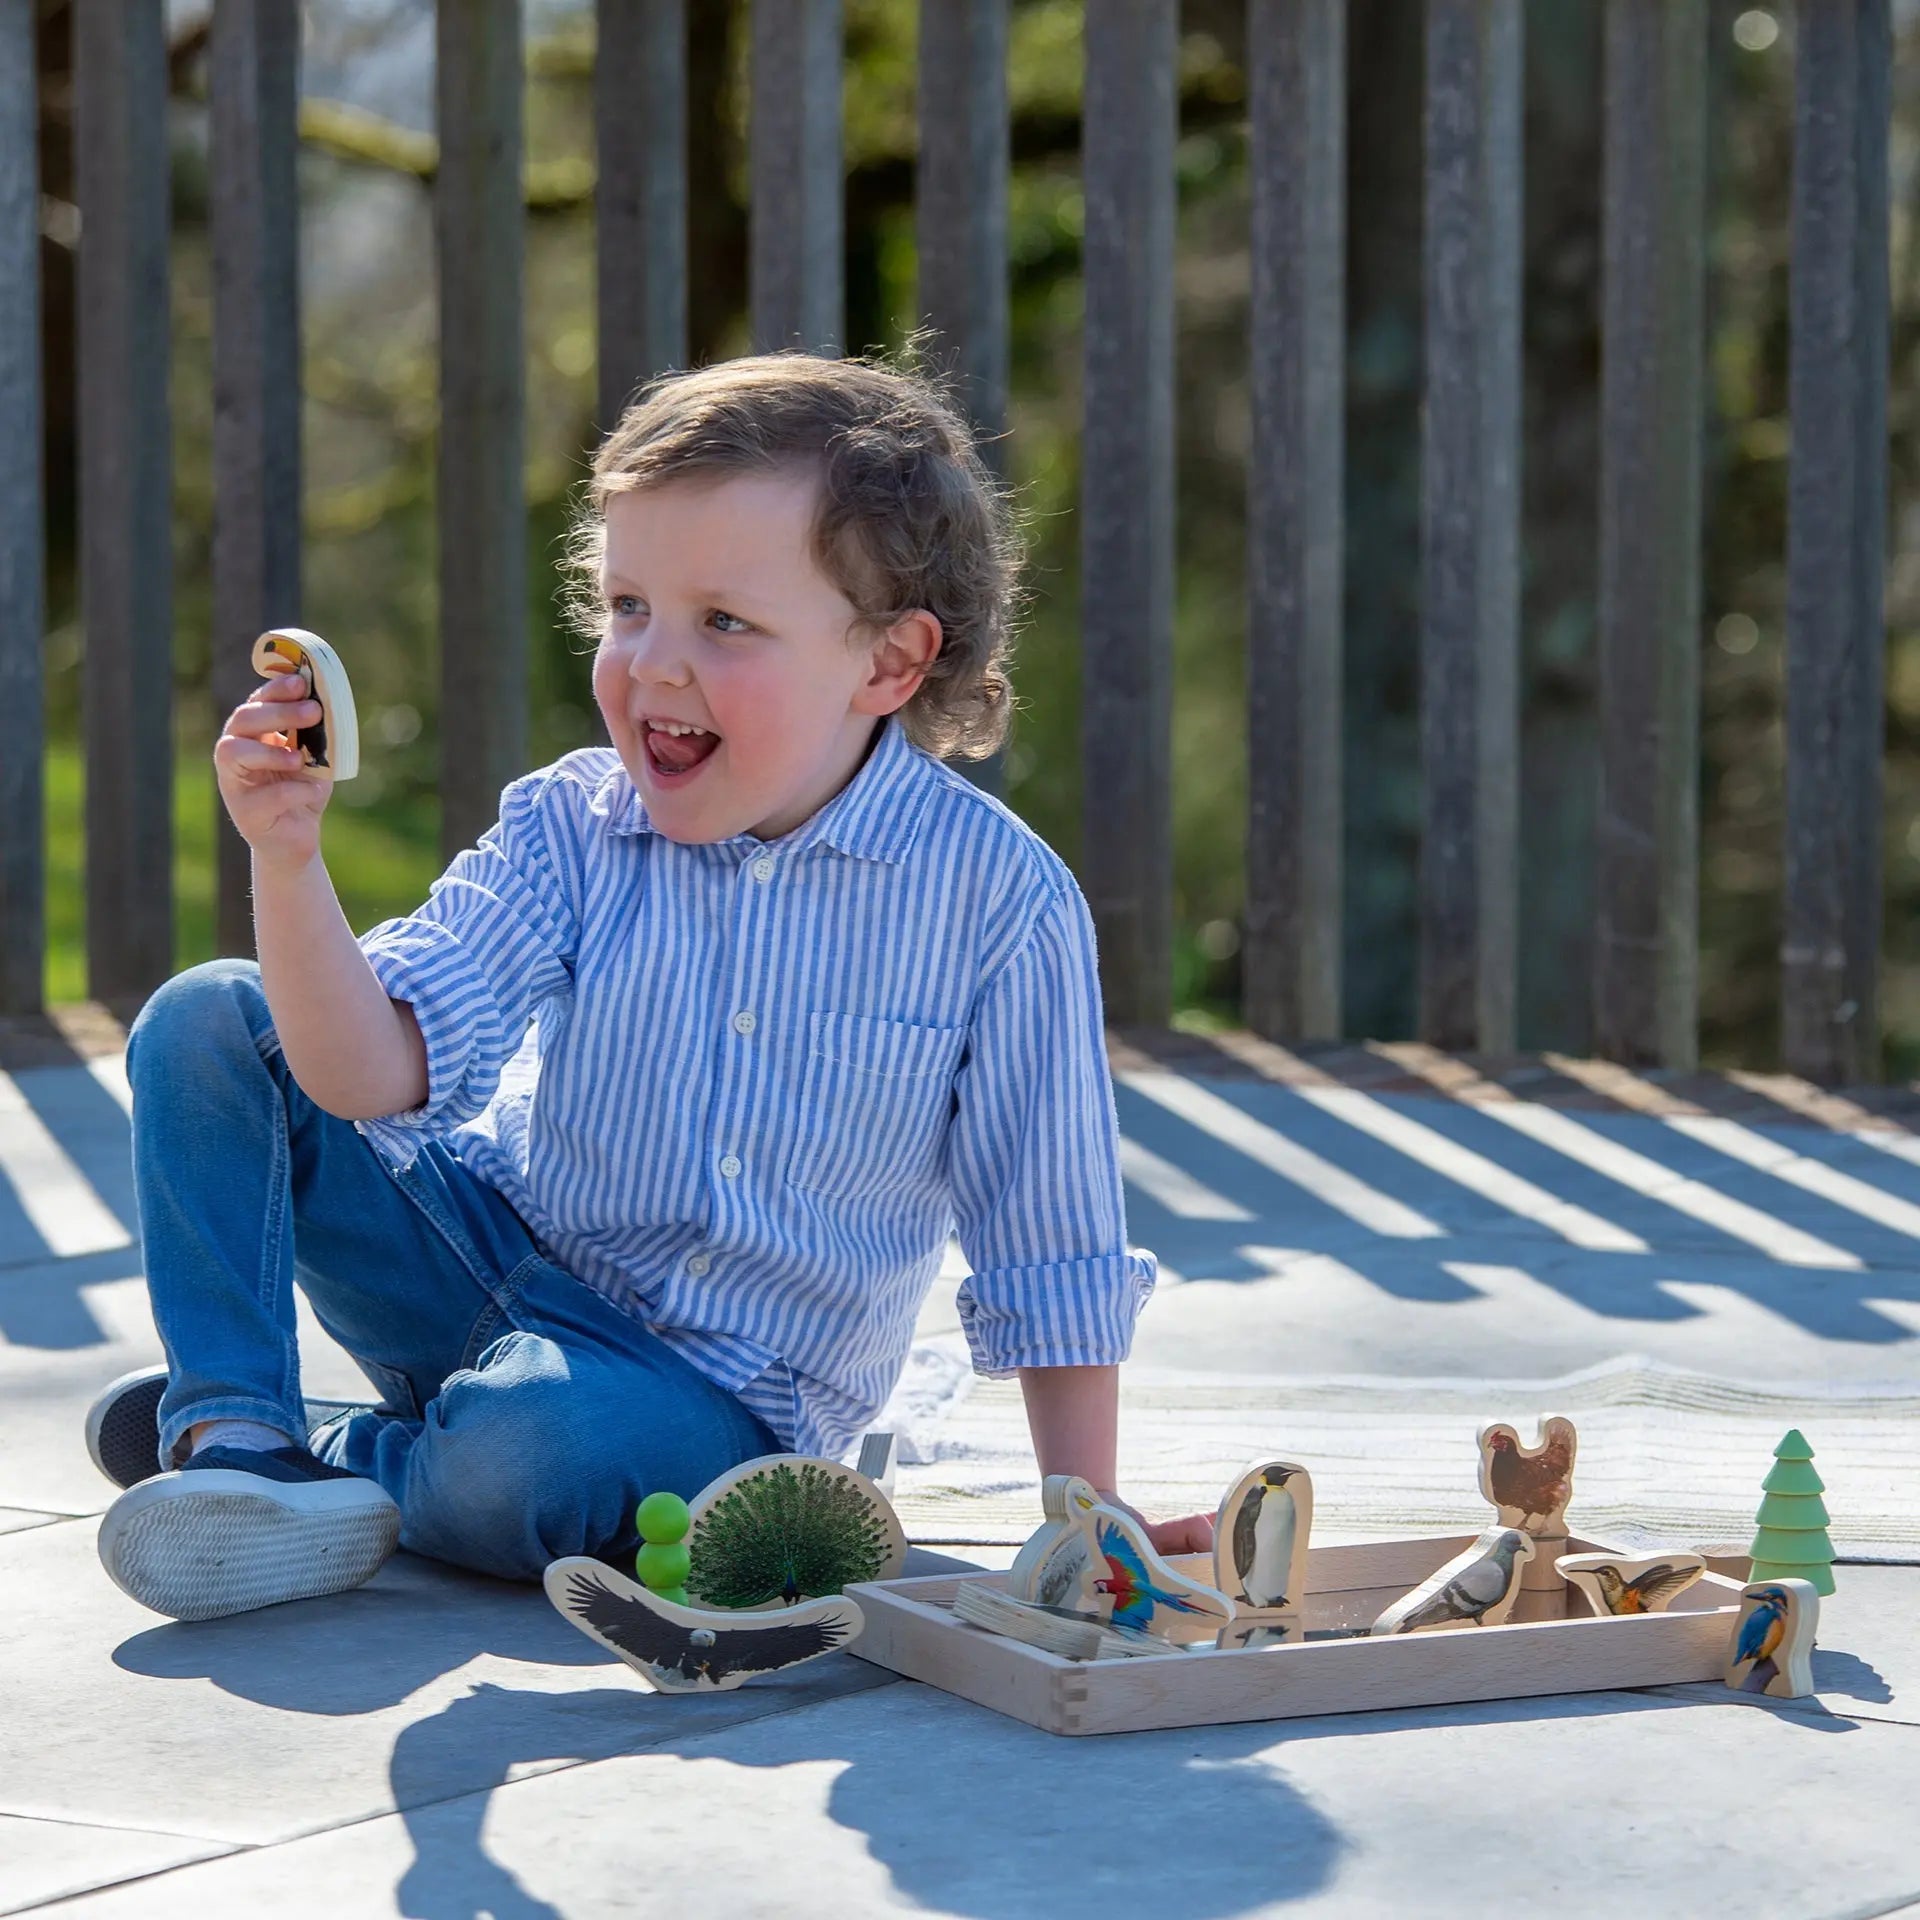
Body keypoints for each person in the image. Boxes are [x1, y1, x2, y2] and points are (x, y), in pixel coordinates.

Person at [88, 349, 1214, 1624]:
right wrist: (286, 860)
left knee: (536, 1459)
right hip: (488, 1256)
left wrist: (1087, 1519)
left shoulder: (999, 904)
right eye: (629, 608)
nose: (655, 665)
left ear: (890, 664)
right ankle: (239, 1442)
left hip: (709, 1401)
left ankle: (350, 1460)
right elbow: (361, 1074)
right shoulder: (572, 823)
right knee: (210, 1017)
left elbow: (1046, 1236)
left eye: (725, 622)